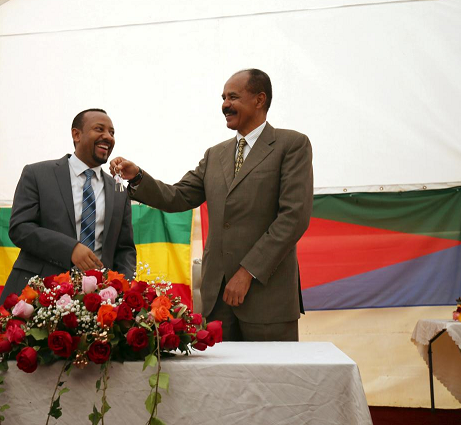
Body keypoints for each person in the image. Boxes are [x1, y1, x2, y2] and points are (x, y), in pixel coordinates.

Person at [110, 69, 313, 341]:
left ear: (259, 99)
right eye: (223, 97)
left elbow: (293, 218)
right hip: (218, 300)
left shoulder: (292, 145)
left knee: (270, 381)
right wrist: (137, 177)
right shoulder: (215, 154)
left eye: (233, 97)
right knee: (221, 382)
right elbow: (178, 196)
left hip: (269, 299)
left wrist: (247, 273)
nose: (225, 105)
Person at [0, 109, 137, 307]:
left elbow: (125, 250)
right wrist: (70, 248)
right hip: (38, 298)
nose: (108, 136)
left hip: (96, 306)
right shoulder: (38, 174)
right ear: (76, 134)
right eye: (100, 129)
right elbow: (20, 228)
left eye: (112, 132)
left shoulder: (119, 189)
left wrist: (122, 289)